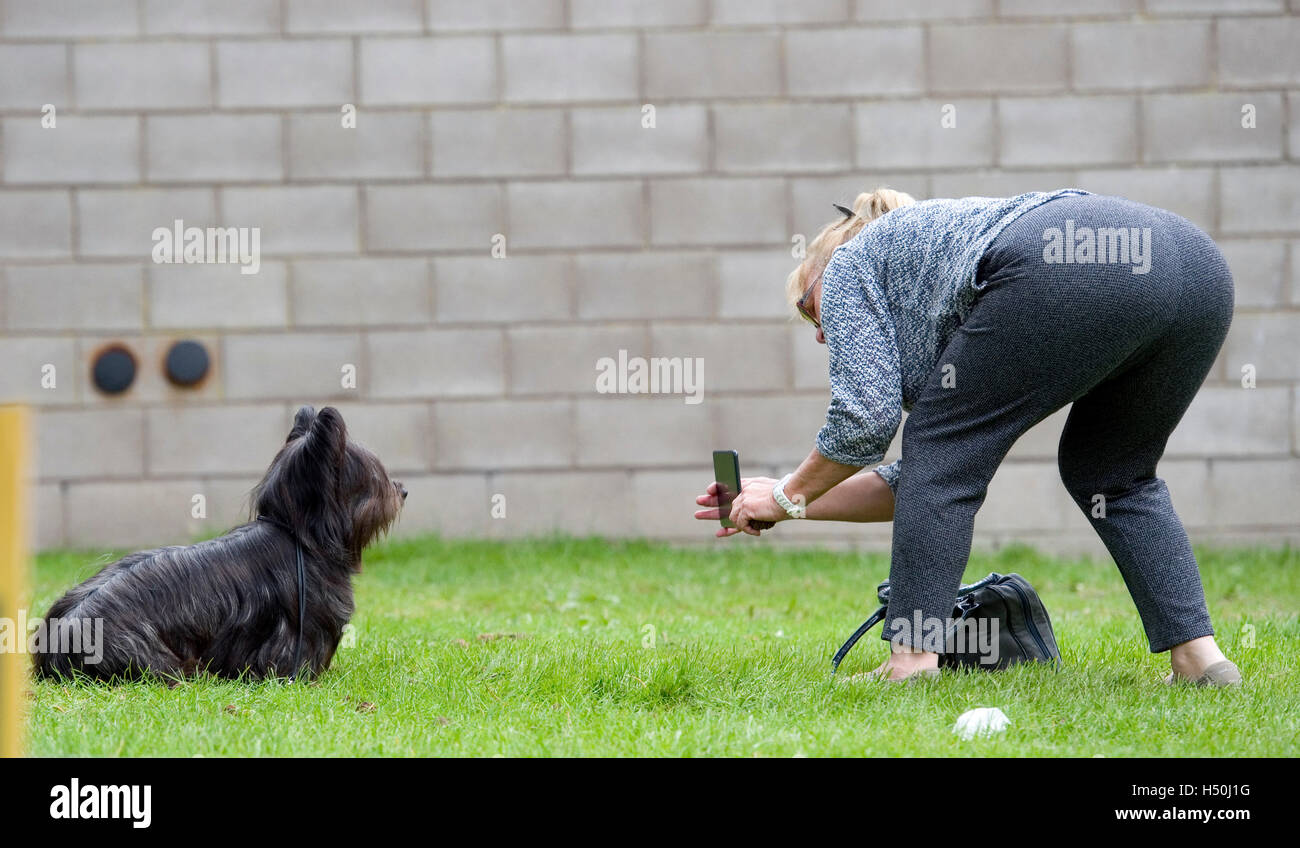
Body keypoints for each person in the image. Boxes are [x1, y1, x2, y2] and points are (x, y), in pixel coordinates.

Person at [694, 187, 1241, 687]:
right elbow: (925, 483)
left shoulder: (846, 269)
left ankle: (910, 663)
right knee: (1111, 475)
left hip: (1073, 261)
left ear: (822, 275)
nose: (819, 331)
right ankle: (1200, 660)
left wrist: (789, 493)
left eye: (807, 306)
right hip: (1197, 271)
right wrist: (787, 501)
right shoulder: (934, 275)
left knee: (938, 443)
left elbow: (869, 423)